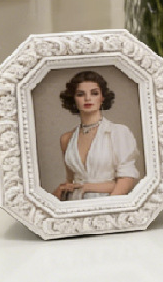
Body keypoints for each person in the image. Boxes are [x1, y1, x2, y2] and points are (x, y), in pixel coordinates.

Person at [52, 70, 141, 200]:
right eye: (80, 94)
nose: (87, 98)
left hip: (108, 202)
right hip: (75, 203)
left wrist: (107, 206)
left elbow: (126, 180)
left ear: (102, 98)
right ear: (73, 99)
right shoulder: (67, 139)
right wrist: (60, 192)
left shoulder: (118, 132)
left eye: (94, 93)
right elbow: (71, 181)